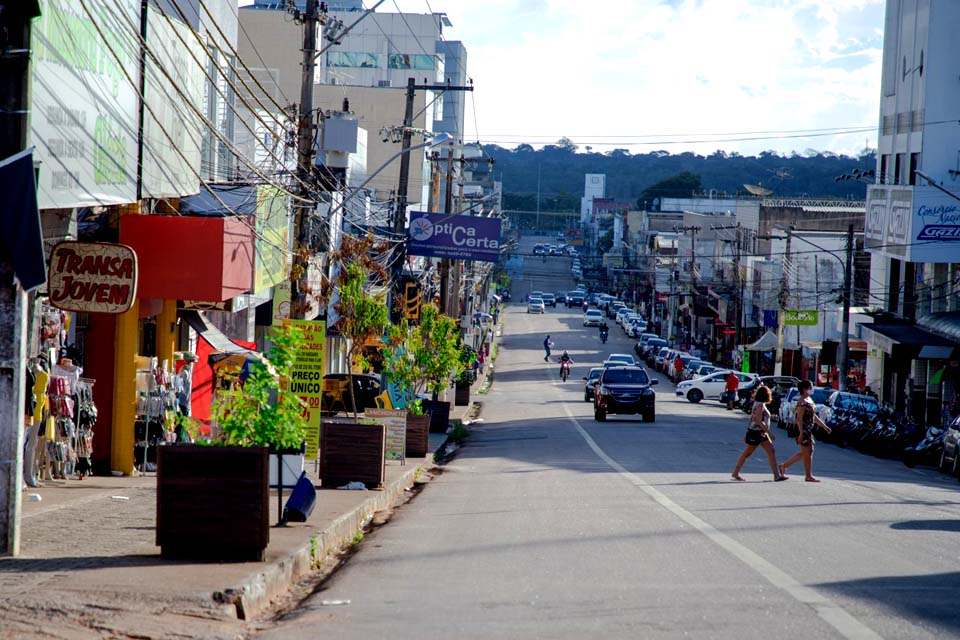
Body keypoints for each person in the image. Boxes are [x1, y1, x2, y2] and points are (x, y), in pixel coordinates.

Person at [780, 379, 833, 482]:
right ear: (804, 389)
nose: (811, 389)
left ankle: (784, 466)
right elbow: (799, 418)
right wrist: (800, 433)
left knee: (807, 452)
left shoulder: (809, 400)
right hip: (803, 430)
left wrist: (824, 426)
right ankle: (808, 475)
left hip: (809, 429)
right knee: (807, 452)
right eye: (810, 387)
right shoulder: (802, 402)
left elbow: (813, 416)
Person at [731, 385, 787, 482]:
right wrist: (768, 432)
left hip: (760, 432)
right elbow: (758, 420)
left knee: (771, 451)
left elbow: (752, 419)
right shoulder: (760, 405)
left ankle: (776, 475)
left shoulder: (758, 404)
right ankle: (735, 472)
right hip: (757, 432)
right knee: (747, 453)